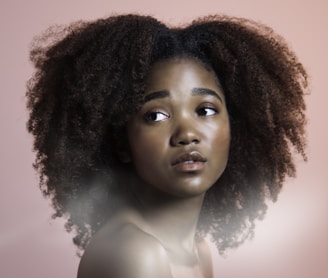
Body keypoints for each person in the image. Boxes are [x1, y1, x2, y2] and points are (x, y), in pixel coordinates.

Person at [26, 14, 307, 278]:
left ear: (236, 127)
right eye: (156, 115)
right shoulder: (135, 253)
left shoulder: (198, 250)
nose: (187, 134)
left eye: (206, 110)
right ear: (122, 143)